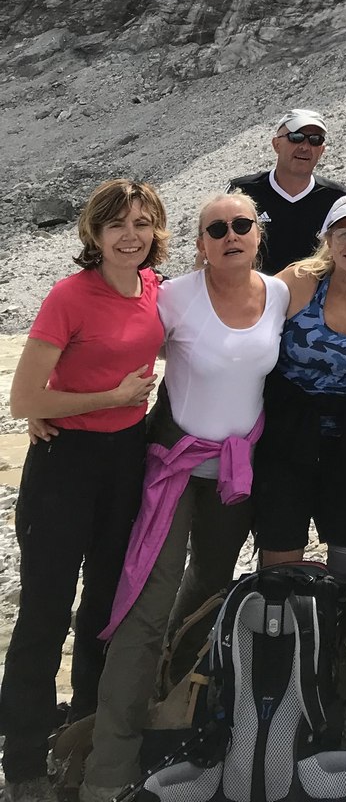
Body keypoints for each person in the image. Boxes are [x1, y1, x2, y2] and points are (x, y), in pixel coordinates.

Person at [79, 193, 291, 802]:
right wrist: (60, 404)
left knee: (211, 584)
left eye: (241, 225)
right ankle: (108, 769)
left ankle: (176, 702)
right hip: (173, 467)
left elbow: (331, 267)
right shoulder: (174, 297)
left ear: (258, 235)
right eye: (216, 229)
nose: (230, 235)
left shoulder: (279, 293)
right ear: (199, 244)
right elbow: (117, 341)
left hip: (234, 474)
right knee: (148, 605)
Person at [0, 181, 167, 802]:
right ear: (94, 233)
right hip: (65, 464)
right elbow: (24, 400)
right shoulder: (69, 296)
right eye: (117, 224)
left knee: (103, 606)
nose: (131, 236)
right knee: (45, 611)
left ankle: (85, 730)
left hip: (126, 460)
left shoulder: (155, 289)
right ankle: (23, 760)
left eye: (142, 223)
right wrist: (108, 398)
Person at [253, 196, 346, 580]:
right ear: (328, 240)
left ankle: (339, 617)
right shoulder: (299, 282)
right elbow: (245, 321)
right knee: (281, 567)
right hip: (287, 438)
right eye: (344, 233)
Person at [229, 107, 346, 274]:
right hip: (254, 289)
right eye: (296, 137)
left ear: (322, 151)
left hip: (315, 289)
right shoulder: (243, 191)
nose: (305, 147)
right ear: (276, 144)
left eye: (315, 140)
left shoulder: (336, 198)